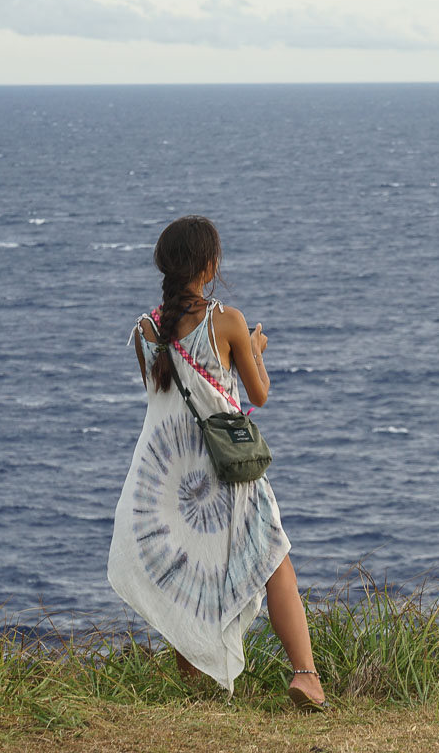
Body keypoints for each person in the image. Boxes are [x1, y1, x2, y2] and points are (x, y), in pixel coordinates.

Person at [107, 214, 330, 712]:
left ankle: (199, 682)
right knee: (275, 563)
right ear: (208, 265)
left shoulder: (145, 329)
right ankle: (306, 676)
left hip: (171, 478)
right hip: (228, 471)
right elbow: (258, 395)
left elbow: (162, 397)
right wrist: (255, 350)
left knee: (190, 576)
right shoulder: (224, 321)